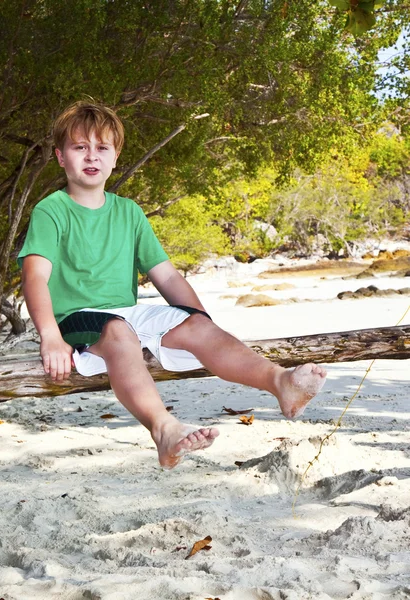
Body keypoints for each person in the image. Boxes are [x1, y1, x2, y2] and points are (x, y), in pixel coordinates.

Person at [19, 101, 327, 469]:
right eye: (79, 147)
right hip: (78, 318)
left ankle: (281, 383)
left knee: (195, 325)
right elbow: (35, 276)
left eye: (102, 147)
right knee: (118, 332)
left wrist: (202, 324)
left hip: (128, 314)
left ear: (116, 157)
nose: (91, 156)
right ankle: (164, 429)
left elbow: (166, 276)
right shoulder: (51, 210)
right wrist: (50, 335)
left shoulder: (128, 211)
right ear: (60, 157)